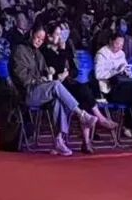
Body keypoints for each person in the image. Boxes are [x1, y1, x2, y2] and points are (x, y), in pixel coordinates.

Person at [11, 25, 98, 156]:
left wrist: (48, 73)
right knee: (56, 85)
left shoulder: (38, 53)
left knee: (58, 100)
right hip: (26, 92)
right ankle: (81, 114)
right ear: (31, 34)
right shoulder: (20, 50)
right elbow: (22, 77)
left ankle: (59, 140)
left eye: (42, 39)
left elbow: (44, 71)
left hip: (40, 89)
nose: (39, 41)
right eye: (37, 37)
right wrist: (41, 79)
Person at [41, 22, 117, 153]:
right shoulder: (45, 51)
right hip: (55, 87)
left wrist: (67, 73)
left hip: (67, 83)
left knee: (84, 92)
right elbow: (56, 67)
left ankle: (87, 140)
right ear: (50, 36)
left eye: (62, 34)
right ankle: (99, 121)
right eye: (58, 34)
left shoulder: (65, 49)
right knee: (82, 92)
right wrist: (62, 51)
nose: (61, 37)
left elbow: (74, 70)